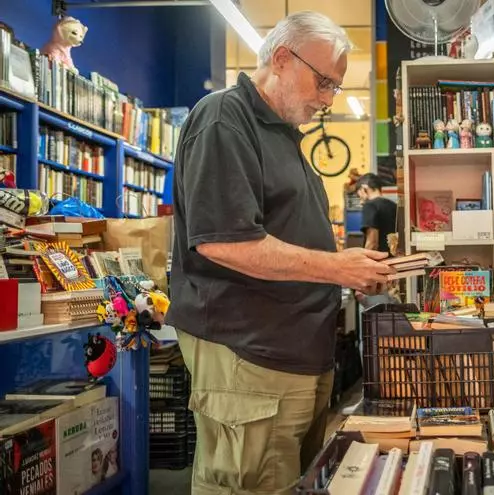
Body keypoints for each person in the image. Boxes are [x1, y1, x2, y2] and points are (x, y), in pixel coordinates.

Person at [164, 11, 395, 495]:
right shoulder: (225, 117)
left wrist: (350, 270)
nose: (328, 99)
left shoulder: (283, 135)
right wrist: (337, 267)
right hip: (251, 356)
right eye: (325, 82)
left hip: (290, 357)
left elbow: (286, 235)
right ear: (284, 58)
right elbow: (223, 240)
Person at [355, 173, 399, 308]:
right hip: (393, 271)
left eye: (359, 195)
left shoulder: (370, 206)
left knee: (376, 322)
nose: (360, 199)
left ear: (365, 188)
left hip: (376, 274)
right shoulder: (393, 206)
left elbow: (372, 242)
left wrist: (361, 273)